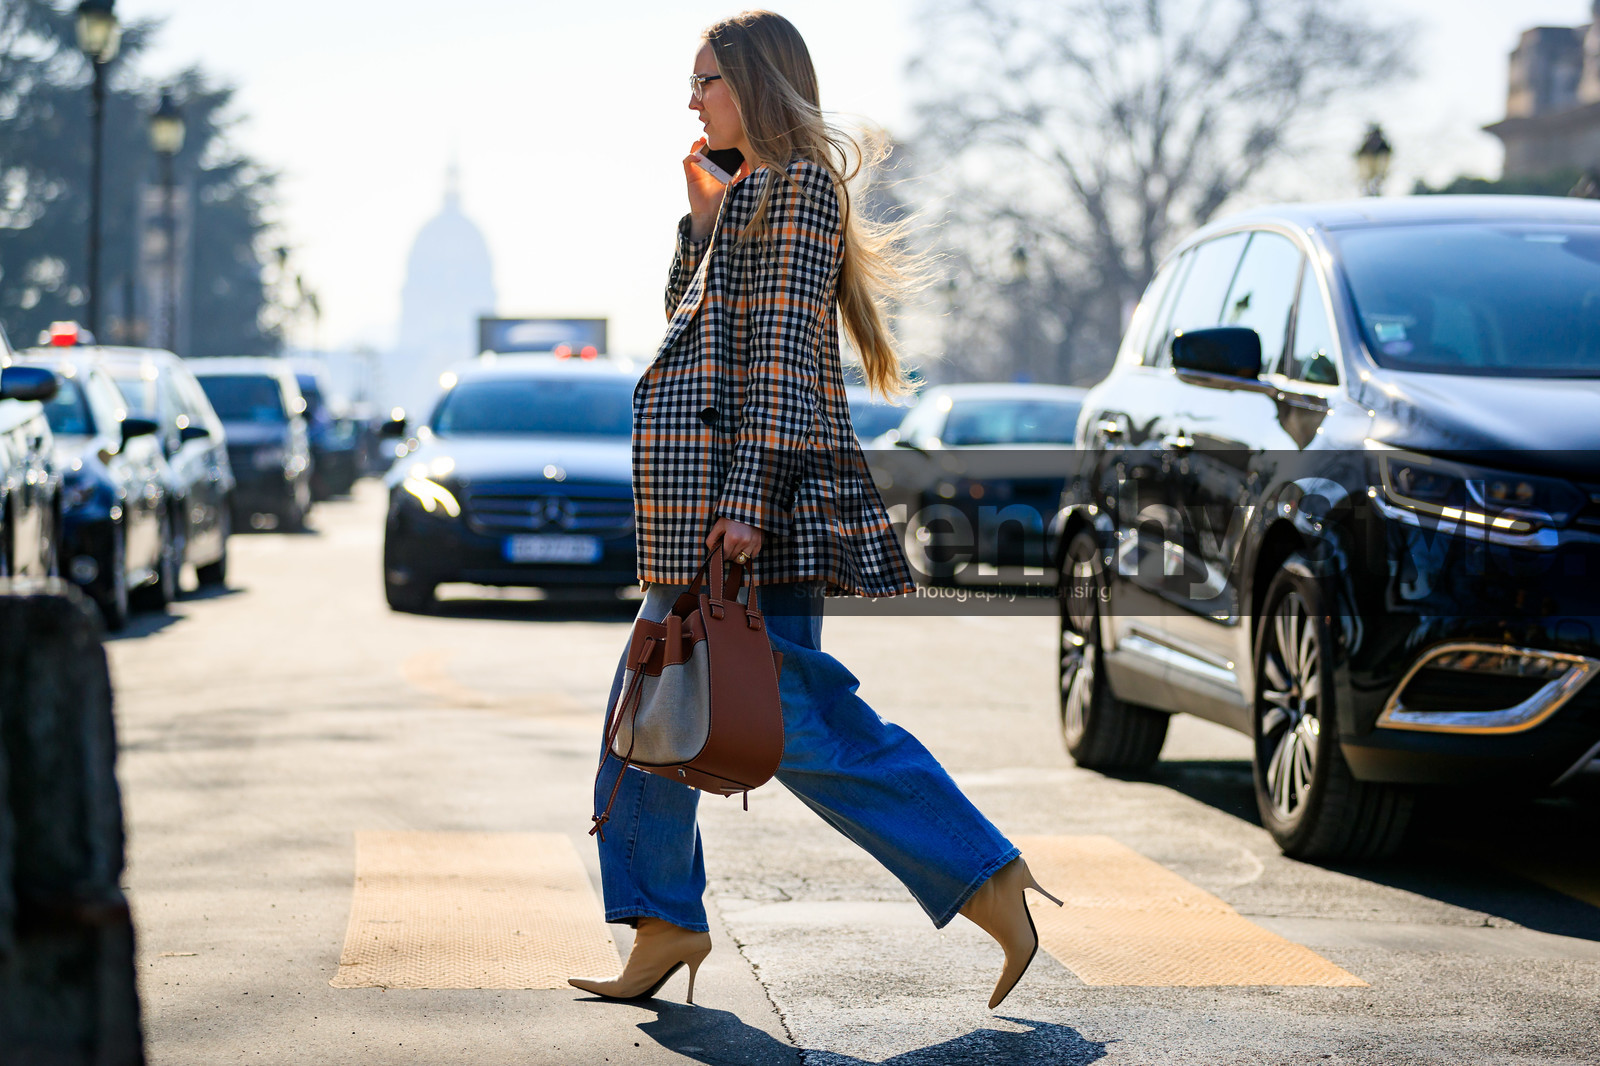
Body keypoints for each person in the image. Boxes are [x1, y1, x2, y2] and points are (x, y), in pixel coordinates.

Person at [568, 9, 1061, 1012]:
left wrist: (745, 504)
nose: (693, 98)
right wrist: (701, 224)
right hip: (703, 513)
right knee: (660, 709)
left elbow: (787, 363)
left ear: (756, 81)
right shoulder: (748, 193)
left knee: (789, 724)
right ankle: (664, 921)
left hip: (753, 515)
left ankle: (984, 875)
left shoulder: (796, 191)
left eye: (705, 78)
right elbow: (691, 332)